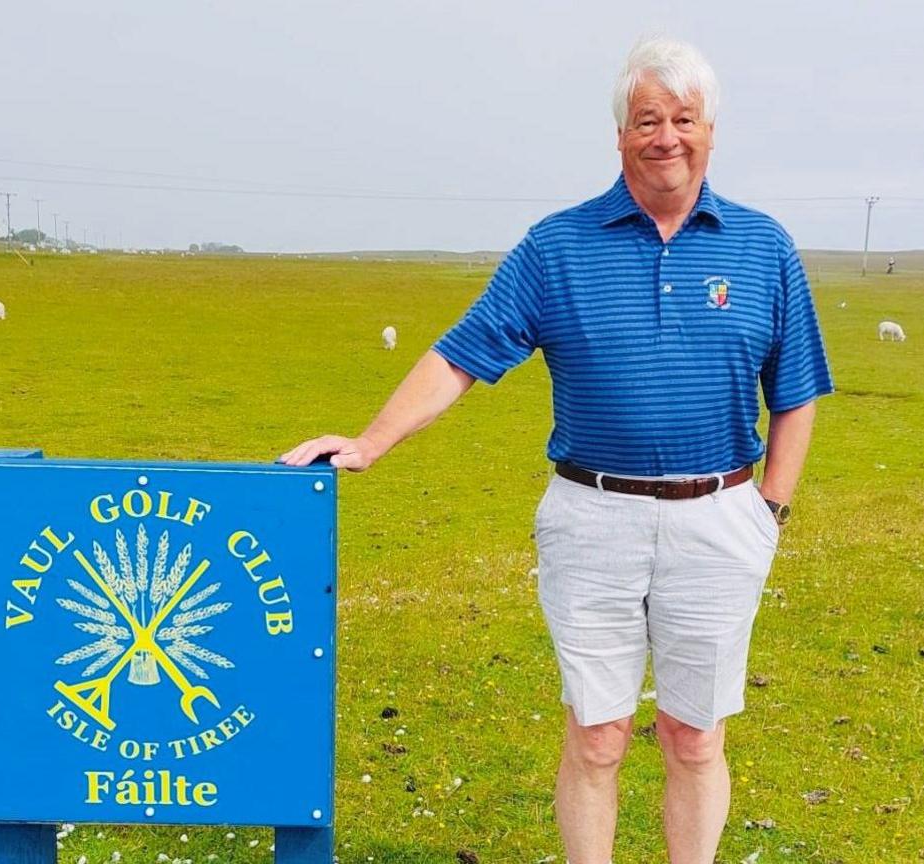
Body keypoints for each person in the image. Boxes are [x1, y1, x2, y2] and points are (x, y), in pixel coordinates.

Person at [282, 36, 832, 864]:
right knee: (598, 734)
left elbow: (796, 392)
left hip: (719, 518)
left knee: (694, 736)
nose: (666, 137)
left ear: (711, 131)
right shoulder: (558, 246)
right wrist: (370, 441)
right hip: (591, 516)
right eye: (647, 120)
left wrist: (770, 511)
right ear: (619, 136)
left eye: (684, 119)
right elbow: (461, 356)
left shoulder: (763, 248)